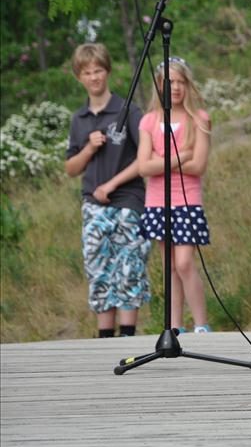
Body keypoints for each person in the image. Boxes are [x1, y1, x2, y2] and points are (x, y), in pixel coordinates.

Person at [64, 43, 150, 338]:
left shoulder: (127, 110)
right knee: (98, 269)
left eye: (98, 70)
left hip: (128, 200)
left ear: (108, 72)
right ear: (79, 77)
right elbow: (71, 168)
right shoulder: (79, 119)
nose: (94, 77)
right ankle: (104, 338)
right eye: (87, 73)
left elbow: (146, 159)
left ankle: (127, 334)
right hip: (93, 205)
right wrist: (89, 147)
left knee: (128, 266)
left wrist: (113, 184)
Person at [137, 57, 213, 334]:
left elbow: (199, 166)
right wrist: (180, 156)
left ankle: (201, 324)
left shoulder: (199, 118)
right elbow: (144, 166)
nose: (176, 87)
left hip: (187, 201)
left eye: (181, 82)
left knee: (184, 262)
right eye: (170, 82)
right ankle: (175, 326)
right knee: (169, 266)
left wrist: (161, 160)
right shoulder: (149, 121)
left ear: (188, 85)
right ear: (159, 86)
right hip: (157, 202)